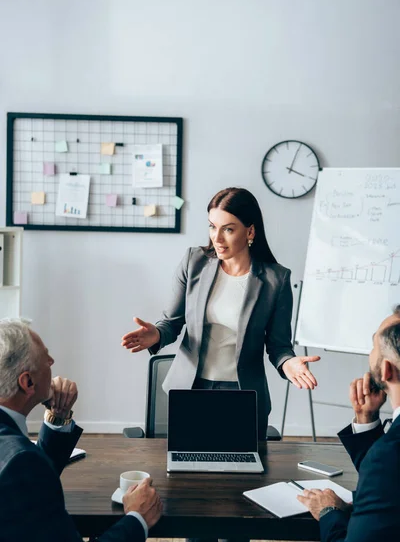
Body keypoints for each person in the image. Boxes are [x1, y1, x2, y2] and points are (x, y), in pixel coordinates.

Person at [122, 187, 320, 439]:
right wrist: (157, 335)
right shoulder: (194, 262)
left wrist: (288, 362)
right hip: (190, 389)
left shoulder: (276, 280)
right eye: (212, 227)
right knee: (185, 470)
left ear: (250, 231)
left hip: (244, 393)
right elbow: (171, 323)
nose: (217, 237)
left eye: (228, 229)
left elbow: (278, 345)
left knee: (245, 473)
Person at [0, 318, 162, 542]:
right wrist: (137, 517)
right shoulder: (22, 464)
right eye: (45, 358)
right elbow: (25, 471)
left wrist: (58, 416)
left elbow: (29, 487)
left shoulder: (21, 462)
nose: (52, 360)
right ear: (27, 382)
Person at [297, 306, 400, 540]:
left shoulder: (386, 458)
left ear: (386, 369)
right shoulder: (387, 456)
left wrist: (328, 510)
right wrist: (367, 420)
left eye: (375, 345)